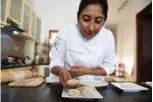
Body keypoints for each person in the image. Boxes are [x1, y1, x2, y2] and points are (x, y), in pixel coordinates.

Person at [49, 0, 116, 88]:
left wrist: (86, 71)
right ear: (78, 17)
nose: (91, 28)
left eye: (98, 21)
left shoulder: (108, 36)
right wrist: (61, 71)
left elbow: (109, 66)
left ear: (104, 20)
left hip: (96, 87)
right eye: (86, 19)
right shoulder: (66, 31)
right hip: (67, 85)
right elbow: (55, 63)